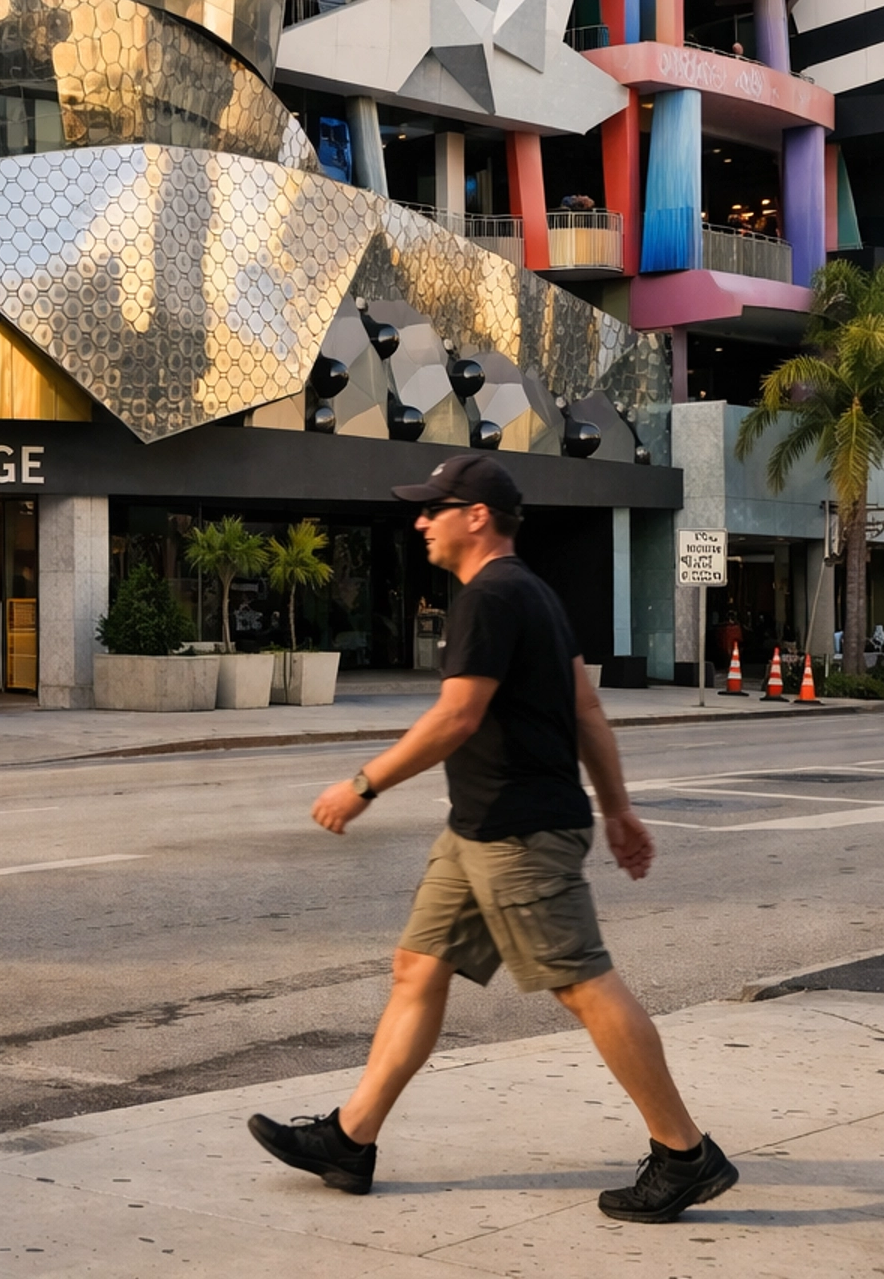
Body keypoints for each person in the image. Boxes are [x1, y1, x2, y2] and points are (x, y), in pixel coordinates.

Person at [248, 451, 737, 1225]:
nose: (419, 522)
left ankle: (683, 1154)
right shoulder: (537, 594)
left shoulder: (488, 598)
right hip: (479, 829)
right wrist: (616, 811)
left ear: (475, 517)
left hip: (517, 832)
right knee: (418, 967)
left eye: (432, 508)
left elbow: (456, 717)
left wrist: (362, 784)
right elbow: (587, 712)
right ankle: (351, 1139)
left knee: (581, 982)